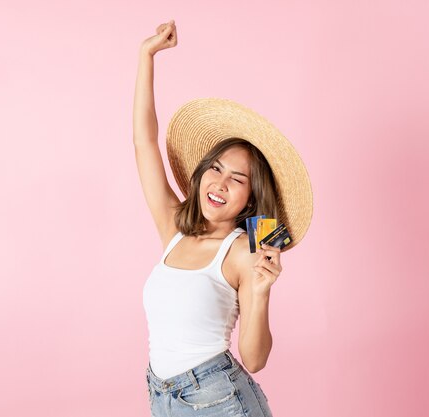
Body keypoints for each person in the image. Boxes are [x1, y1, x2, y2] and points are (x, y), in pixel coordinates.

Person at [133, 20, 313, 417]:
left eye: (237, 179)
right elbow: (145, 142)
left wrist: (262, 291)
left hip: (218, 401)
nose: (220, 183)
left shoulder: (243, 254)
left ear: (250, 198)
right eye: (214, 169)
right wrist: (147, 56)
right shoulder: (175, 229)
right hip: (164, 398)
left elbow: (255, 358)